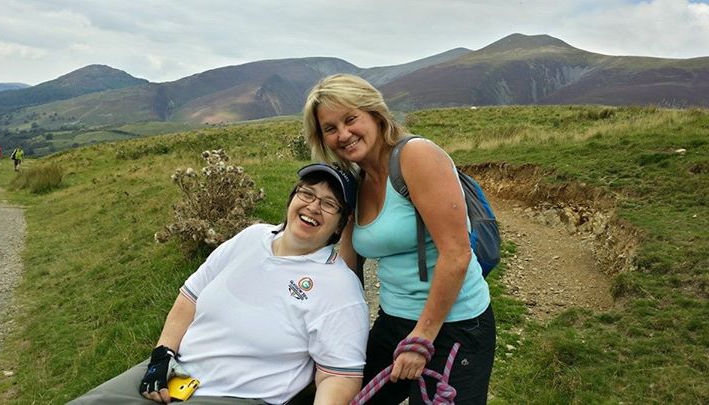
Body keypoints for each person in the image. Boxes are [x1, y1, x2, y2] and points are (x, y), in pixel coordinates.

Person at [69, 163, 370, 405]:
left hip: (237, 395)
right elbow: (190, 297)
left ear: (341, 224)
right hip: (177, 370)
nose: (314, 207)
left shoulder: (338, 287)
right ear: (293, 197)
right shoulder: (252, 237)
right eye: (307, 193)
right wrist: (162, 354)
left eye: (330, 204)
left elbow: (339, 377)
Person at [303, 74, 496, 404]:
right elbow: (348, 262)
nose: (343, 135)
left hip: (454, 326)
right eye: (330, 128)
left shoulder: (416, 157)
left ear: (375, 114)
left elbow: (457, 254)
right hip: (393, 321)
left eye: (351, 119)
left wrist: (422, 338)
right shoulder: (356, 178)